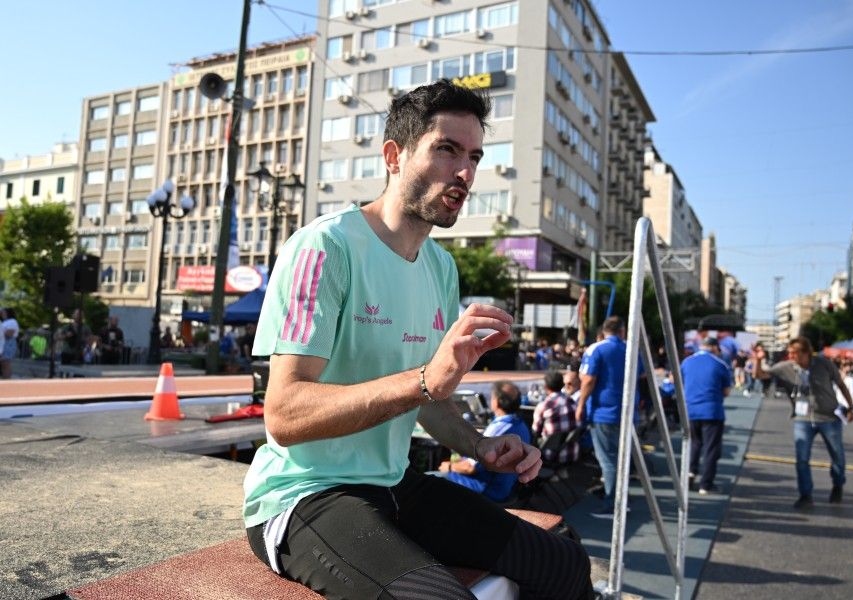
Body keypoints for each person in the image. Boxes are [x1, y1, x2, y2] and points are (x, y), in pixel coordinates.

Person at [242, 80, 591, 600]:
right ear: (394, 156)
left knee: (565, 561)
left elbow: (430, 401)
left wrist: (480, 444)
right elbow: (285, 415)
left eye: (473, 156)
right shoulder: (326, 247)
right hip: (306, 495)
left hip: (395, 484)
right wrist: (426, 379)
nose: (465, 172)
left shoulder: (440, 267)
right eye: (446, 149)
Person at [753, 336, 853, 509]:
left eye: (795, 353)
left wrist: (851, 407)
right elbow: (760, 375)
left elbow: (841, 384)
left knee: (837, 456)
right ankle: (805, 495)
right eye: (790, 352)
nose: (791, 356)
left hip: (828, 417)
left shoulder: (824, 364)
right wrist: (758, 359)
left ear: (807, 352)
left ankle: (838, 484)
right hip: (803, 419)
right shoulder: (785, 367)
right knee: (802, 459)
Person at [576, 315, 640, 517]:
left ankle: (613, 504)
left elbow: (587, 380)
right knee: (621, 459)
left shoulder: (596, 349)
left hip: (603, 413)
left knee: (608, 461)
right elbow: (643, 376)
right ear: (622, 331)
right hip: (628, 413)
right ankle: (621, 499)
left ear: (603, 331)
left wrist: (580, 405)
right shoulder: (631, 350)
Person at [439, 381, 532, 501]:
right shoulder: (522, 425)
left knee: (431, 478)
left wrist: (450, 467)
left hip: (488, 490)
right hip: (507, 488)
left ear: (496, 401)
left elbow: (469, 468)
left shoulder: (498, 428)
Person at [680, 337, 733, 495]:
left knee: (694, 443)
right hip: (712, 410)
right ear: (715, 348)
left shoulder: (686, 362)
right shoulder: (720, 364)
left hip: (691, 409)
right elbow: (726, 391)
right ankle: (706, 484)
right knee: (711, 448)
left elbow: (680, 383)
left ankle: (690, 471)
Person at [532, 370, 579, 464]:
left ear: (546, 387)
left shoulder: (543, 406)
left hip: (550, 457)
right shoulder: (573, 402)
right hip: (572, 454)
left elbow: (535, 432)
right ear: (562, 384)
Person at [1, 308, 20, 379]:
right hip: (3, 343)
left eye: (4, 312)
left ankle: (7, 380)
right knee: (3, 363)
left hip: (8, 343)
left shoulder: (12, 321)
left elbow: (9, 334)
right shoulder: (4, 322)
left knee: (5, 363)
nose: (2, 314)